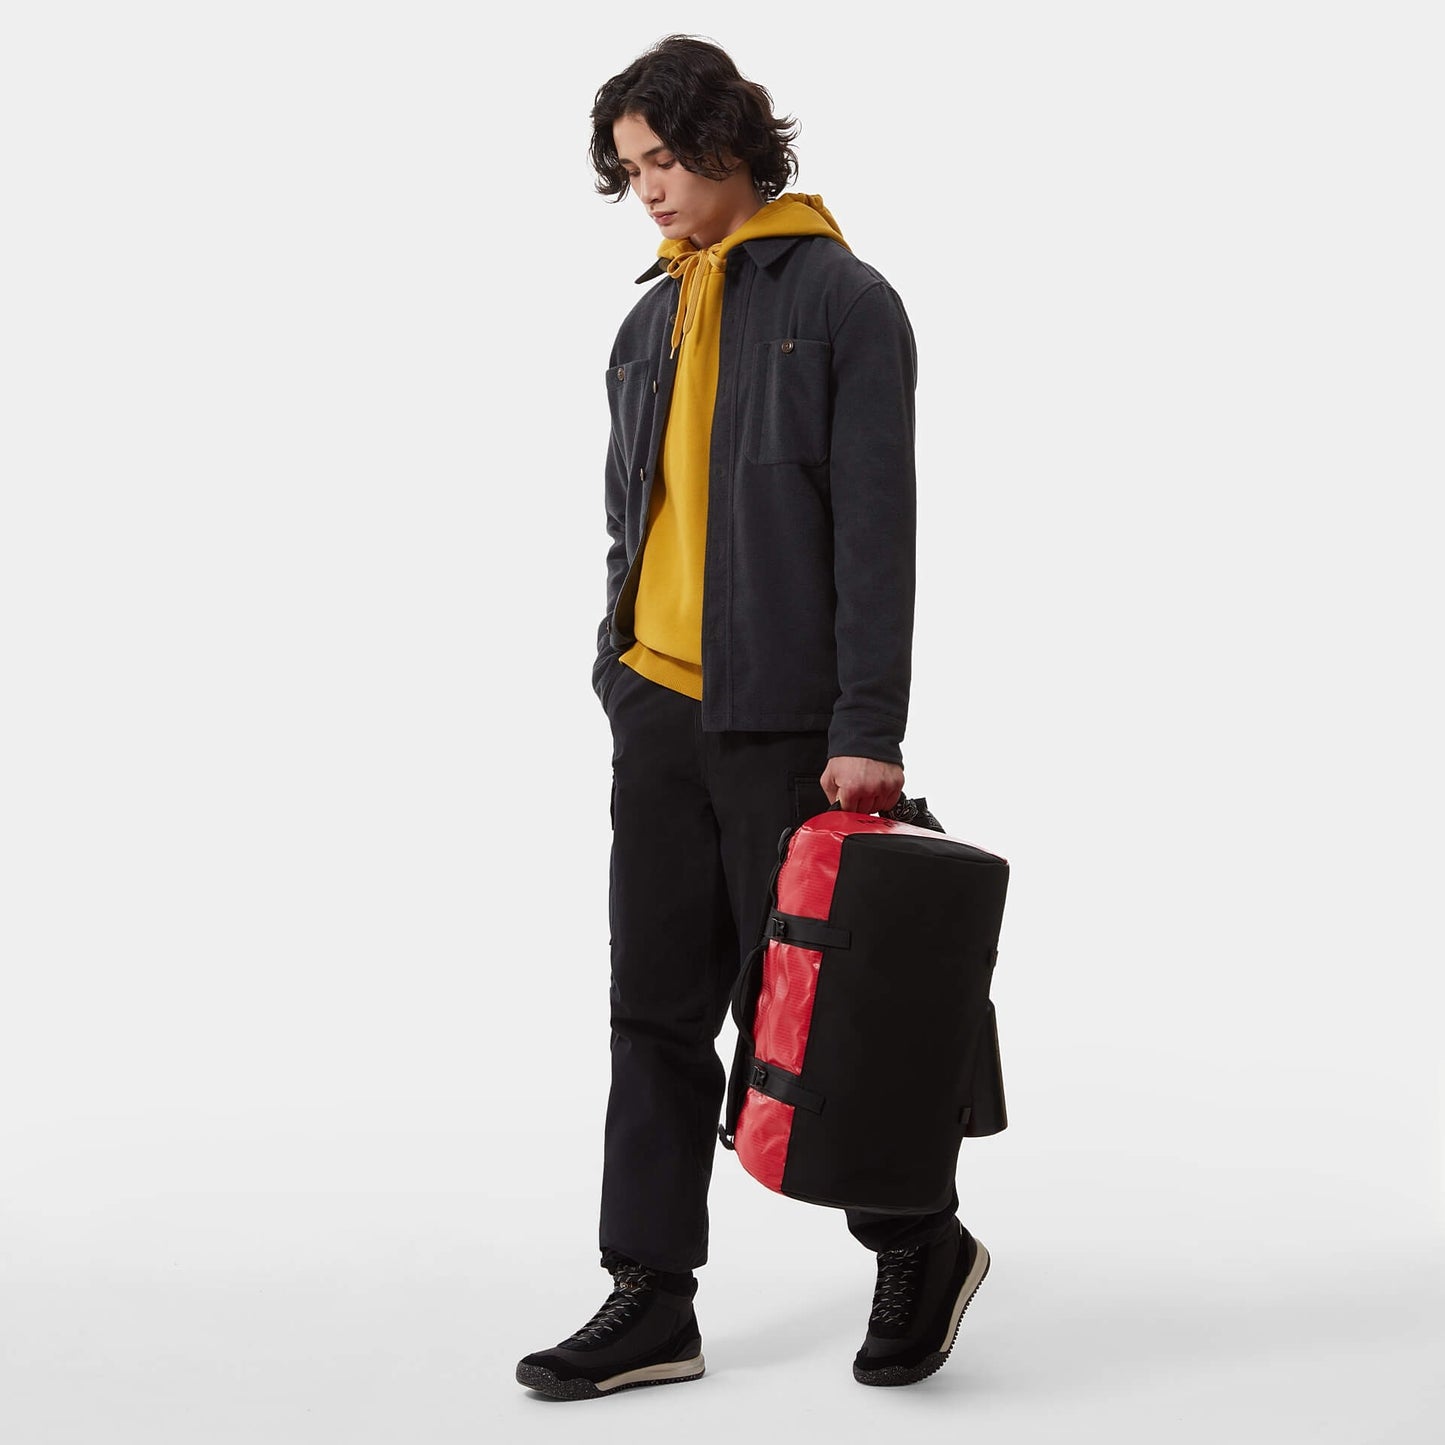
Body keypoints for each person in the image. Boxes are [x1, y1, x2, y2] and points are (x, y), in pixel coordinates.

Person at [515, 33, 987, 1399]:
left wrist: (867, 723)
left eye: (666, 158)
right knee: (653, 1010)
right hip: (658, 712)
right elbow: (634, 519)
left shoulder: (844, 302)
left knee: (812, 1013)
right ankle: (650, 1294)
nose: (650, 189)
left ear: (730, 139)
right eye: (631, 170)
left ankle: (919, 1239)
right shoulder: (646, 323)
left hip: (787, 721)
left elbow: (876, 534)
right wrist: (617, 666)